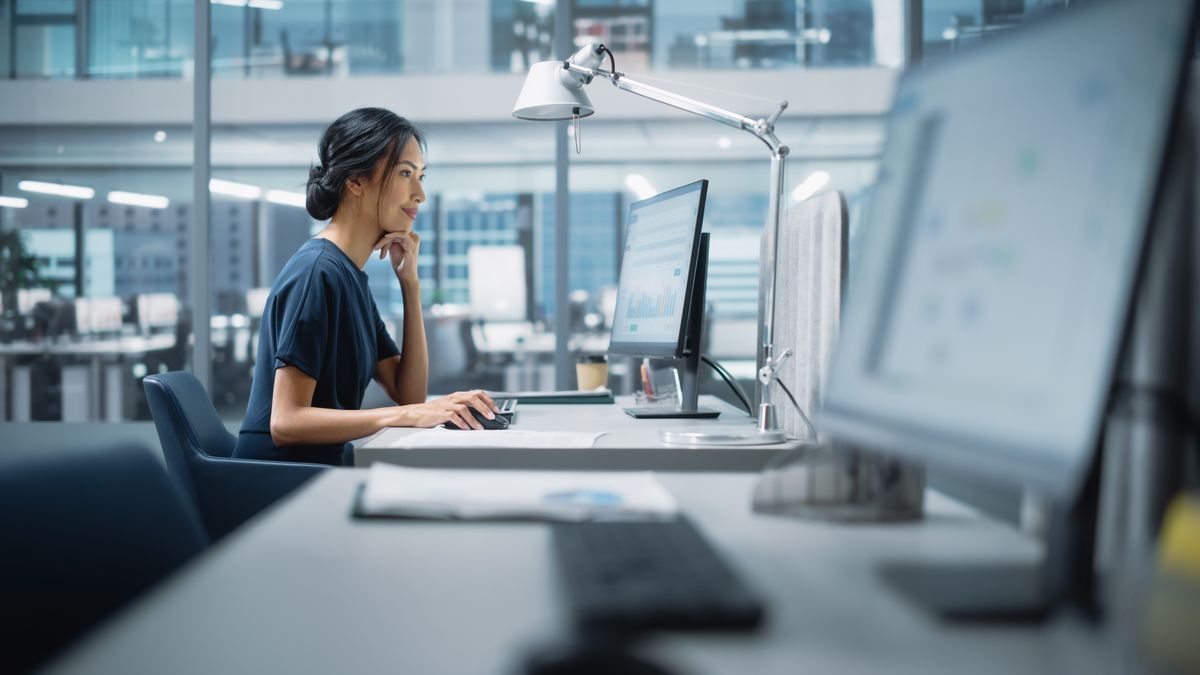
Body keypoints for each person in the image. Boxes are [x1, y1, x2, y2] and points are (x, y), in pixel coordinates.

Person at [235, 107, 498, 466]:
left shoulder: (349, 276)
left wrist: (410, 284)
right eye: (406, 174)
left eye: (421, 176)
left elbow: (409, 393)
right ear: (356, 181)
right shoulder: (317, 273)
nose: (420, 194)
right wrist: (402, 416)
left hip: (323, 470)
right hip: (278, 482)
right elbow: (286, 421)